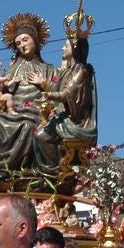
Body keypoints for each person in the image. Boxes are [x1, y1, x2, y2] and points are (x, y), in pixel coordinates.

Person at [0, 14, 57, 174]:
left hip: (37, 114)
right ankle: (1, 171)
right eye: (18, 43)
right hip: (12, 112)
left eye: (25, 40)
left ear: (35, 41)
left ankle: (26, 170)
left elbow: (59, 93)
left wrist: (43, 83)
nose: (22, 45)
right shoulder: (11, 69)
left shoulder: (49, 69)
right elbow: (2, 91)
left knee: (28, 127)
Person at [33, 34, 98, 172]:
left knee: (42, 137)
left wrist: (49, 95)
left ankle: (54, 171)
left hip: (74, 121)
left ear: (74, 49)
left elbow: (67, 93)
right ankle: (50, 171)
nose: (62, 48)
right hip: (64, 117)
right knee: (38, 134)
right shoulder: (69, 70)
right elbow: (58, 87)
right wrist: (43, 83)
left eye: (66, 46)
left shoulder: (80, 70)